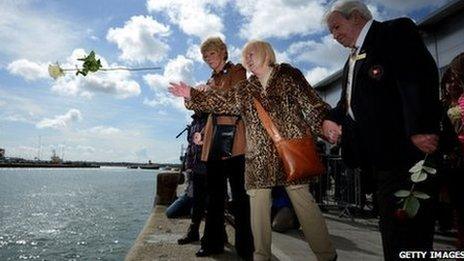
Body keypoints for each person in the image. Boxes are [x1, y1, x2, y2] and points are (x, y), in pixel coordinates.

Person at [169, 40, 337, 261]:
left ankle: (326, 256)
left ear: (267, 53)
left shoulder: (288, 74)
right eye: (245, 55)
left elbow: (311, 102)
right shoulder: (246, 89)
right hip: (258, 157)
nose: (247, 58)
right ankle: (260, 257)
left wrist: (324, 121)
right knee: (257, 210)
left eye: (252, 53)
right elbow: (221, 101)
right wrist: (192, 94)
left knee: (304, 204)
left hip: (289, 151)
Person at [321, 1, 441, 260]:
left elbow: (418, 77)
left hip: (407, 155)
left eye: (336, 27)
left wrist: (421, 128)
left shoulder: (393, 32)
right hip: (379, 162)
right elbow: (347, 102)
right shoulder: (352, 59)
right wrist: (331, 119)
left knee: (410, 237)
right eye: (331, 31)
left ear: (355, 17)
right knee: (393, 233)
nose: (334, 35)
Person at [187, 37, 254, 259]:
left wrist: (206, 91)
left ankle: (246, 249)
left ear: (223, 52)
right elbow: (210, 113)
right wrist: (202, 134)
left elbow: (234, 102)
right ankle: (212, 243)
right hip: (213, 142)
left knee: (240, 198)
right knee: (214, 197)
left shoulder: (237, 71)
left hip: (236, 143)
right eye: (205, 57)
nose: (208, 59)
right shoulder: (210, 79)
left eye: (211, 54)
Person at [440, 53, 464, 249]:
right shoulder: (444, 105)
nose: (452, 85)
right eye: (448, 81)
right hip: (454, 160)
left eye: (455, 79)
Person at [176, 111, 209, 245]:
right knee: (197, 201)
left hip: (211, 165)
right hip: (196, 167)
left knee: (215, 201)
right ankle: (193, 231)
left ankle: (219, 232)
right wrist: (188, 166)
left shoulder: (211, 117)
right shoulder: (194, 122)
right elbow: (190, 147)